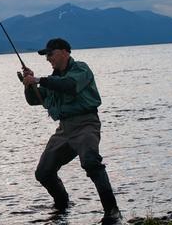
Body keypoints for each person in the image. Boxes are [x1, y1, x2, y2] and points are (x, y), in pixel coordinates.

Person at [21, 38, 122, 224]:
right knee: (43, 173)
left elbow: (70, 86)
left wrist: (38, 79)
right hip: (64, 130)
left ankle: (112, 212)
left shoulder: (81, 69)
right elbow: (34, 100)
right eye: (46, 55)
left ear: (64, 52)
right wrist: (29, 85)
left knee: (91, 163)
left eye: (50, 54)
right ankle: (63, 205)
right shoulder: (52, 80)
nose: (48, 58)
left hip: (86, 124)